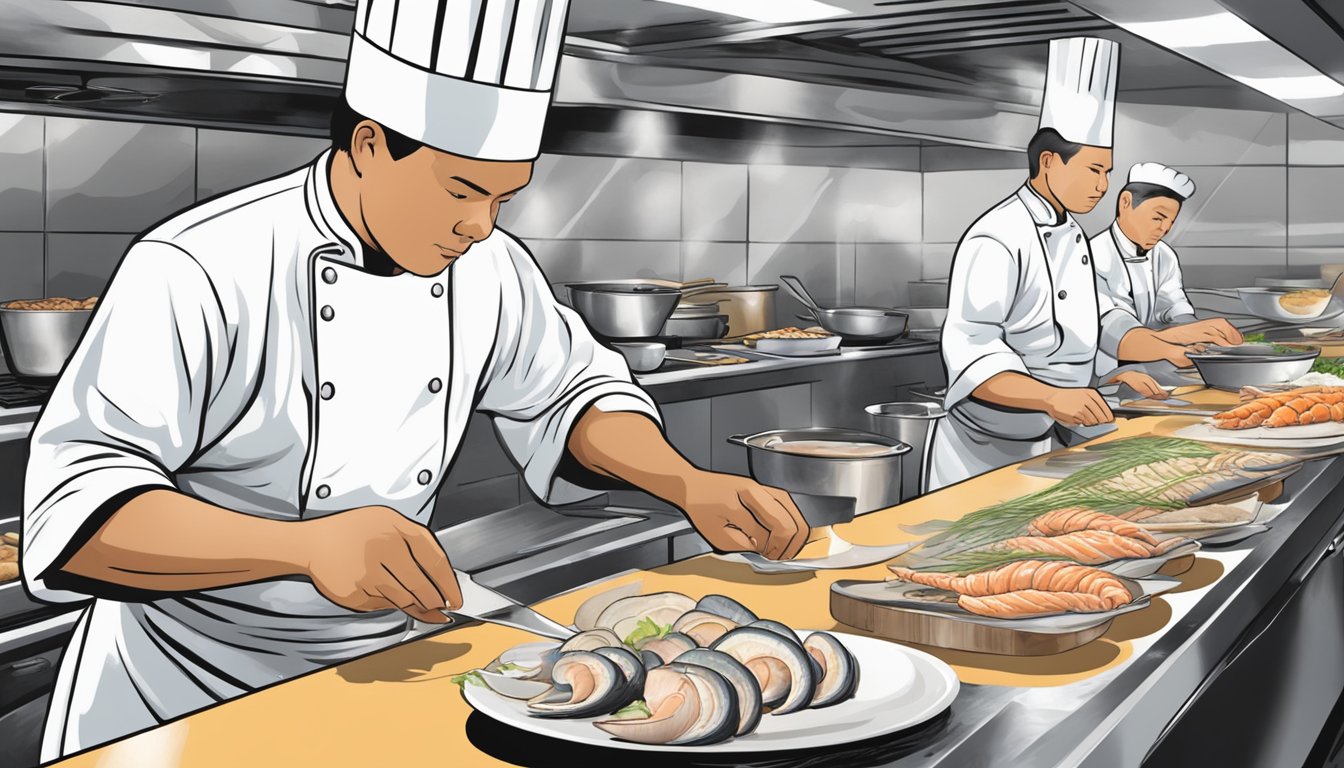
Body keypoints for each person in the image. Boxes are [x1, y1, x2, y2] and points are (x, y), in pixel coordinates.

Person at [21, 0, 808, 758]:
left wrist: (682, 481)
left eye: (504, 196)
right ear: (369, 145)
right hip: (180, 698)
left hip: (379, 660)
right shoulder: (199, 267)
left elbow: (569, 393)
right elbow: (81, 513)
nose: (481, 225)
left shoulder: (488, 265)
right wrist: (300, 549)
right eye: (462, 190)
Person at [928, 37, 1241, 491]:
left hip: (1043, 438)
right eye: (1095, 170)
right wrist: (1055, 397)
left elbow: (1062, 341)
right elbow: (972, 355)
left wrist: (1107, 375)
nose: (1103, 185)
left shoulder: (1071, 233)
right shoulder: (996, 236)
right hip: (982, 448)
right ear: (1050, 162)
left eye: (1108, 172)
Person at [1092, 163, 1198, 330]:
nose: (1164, 230)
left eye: (1171, 222)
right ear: (1125, 203)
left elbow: (1173, 303)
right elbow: (1114, 321)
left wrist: (1194, 330)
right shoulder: (1095, 254)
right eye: (1158, 218)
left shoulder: (1164, 254)